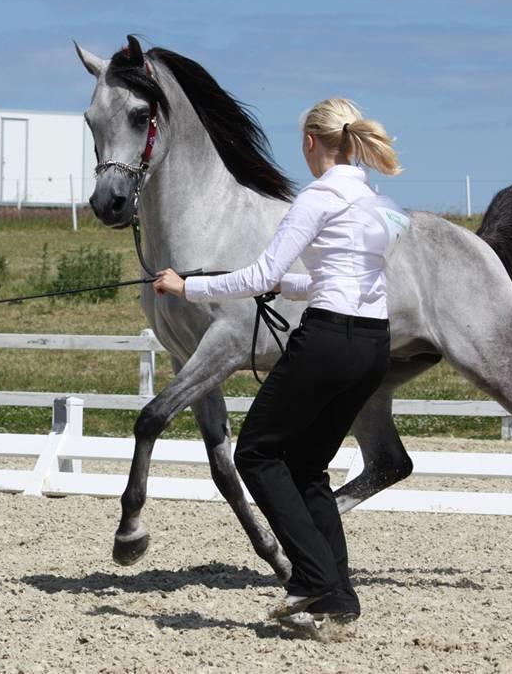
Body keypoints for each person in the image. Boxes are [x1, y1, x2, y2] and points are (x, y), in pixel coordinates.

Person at [153, 97, 406, 634]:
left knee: (257, 453)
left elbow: (254, 276)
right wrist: (282, 282)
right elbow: (324, 278)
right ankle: (338, 597)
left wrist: (186, 286)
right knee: (308, 466)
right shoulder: (378, 203)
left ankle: (313, 580)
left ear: (311, 142)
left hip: (328, 340)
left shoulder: (316, 198)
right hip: (371, 344)